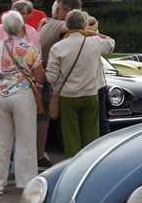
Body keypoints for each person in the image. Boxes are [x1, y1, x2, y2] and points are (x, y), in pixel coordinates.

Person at [0, 11, 45, 194]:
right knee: (26, 139)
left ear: (4, 27)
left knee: (1, 140)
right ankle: (25, 181)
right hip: (22, 96)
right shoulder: (28, 49)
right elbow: (40, 76)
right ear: (21, 27)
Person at [46, 9, 114, 157]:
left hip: (68, 96)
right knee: (91, 134)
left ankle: (73, 162)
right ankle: (90, 162)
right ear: (84, 25)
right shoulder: (95, 42)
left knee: (71, 136)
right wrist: (91, 33)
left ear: (67, 25)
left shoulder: (58, 47)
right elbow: (111, 42)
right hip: (90, 94)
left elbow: (51, 77)